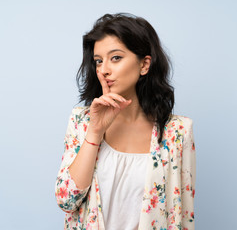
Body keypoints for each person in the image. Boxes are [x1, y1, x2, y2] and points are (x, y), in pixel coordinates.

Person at [55, 13, 196, 230]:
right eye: (98, 61)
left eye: (116, 58)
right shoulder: (82, 121)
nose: (104, 70)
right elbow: (67, 201)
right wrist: (95, 132)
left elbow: (183, 217)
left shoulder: (177, 132)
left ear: (144, 65)